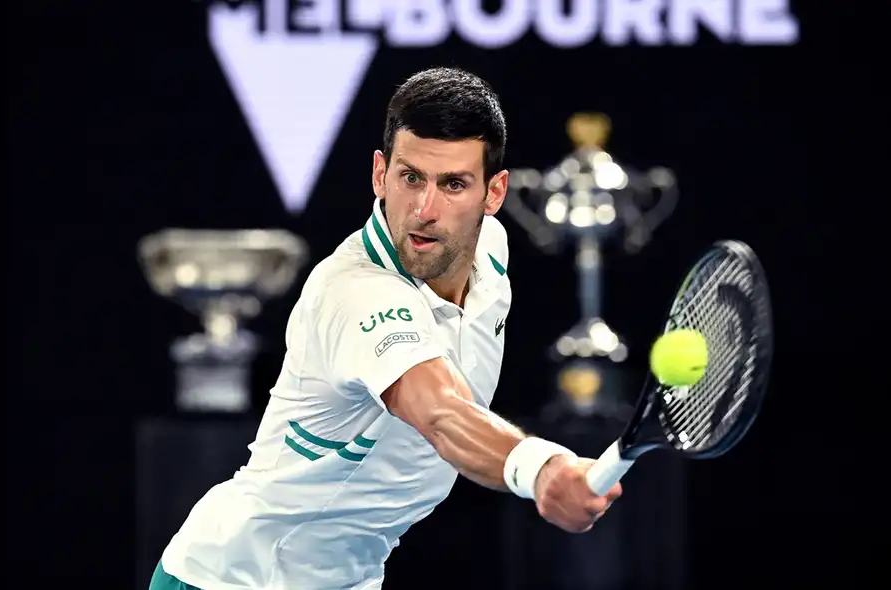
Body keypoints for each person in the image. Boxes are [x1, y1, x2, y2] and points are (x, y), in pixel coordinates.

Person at [151, 67, 622, 590]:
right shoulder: (355, 292)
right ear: (380, 174)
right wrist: (540, 468)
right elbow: (441, 411)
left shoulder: (491, 249)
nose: (425, 209)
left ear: (494, 194)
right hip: (236, 579)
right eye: (411, 177)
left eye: (454, 185)